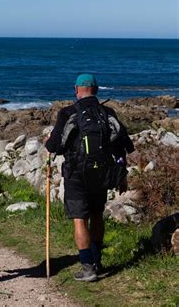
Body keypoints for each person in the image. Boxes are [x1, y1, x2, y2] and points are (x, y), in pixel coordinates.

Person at [45, 74, 134, 282]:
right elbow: (123, 146)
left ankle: (87, 267)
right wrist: (122, 175)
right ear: (96, 89)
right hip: (101, 173)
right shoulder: (108, 112)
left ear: (76, 89)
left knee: (80, 219)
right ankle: (97, 259)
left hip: (76, 173)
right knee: (96, 214)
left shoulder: (68, 113)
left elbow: (54, 146)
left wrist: (47, 140)